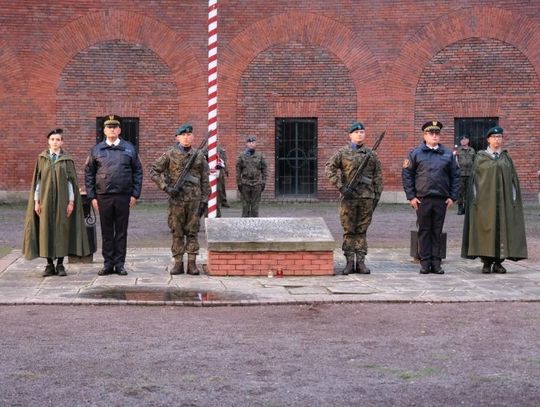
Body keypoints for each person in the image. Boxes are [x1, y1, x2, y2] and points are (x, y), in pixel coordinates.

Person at [22, 128, 90, 276]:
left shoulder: (67, 160)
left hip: (62, 201)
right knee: (45, 229)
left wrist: (71, 202)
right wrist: (36, 201)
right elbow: (38, 182)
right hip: (45, 201)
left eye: (58, 140)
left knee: (61, 230)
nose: (55, 142)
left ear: (62, 142)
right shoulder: (42, 159)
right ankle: (48, 265)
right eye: (52, 139)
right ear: (48, 141)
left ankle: (60, 264)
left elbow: (71, 183)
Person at [461, 126, 527, 273]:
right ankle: (486, 262)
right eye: (495, 137)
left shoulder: (506, 157)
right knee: (485, 229)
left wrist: (513, 199)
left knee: (502, 229)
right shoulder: (480, 157)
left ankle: (498, 262)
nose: (497, 140)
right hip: (484, 202)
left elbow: (512, 180)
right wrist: (475, 200)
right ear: (488, 139)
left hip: (503, 202)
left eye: (500, 137)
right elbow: (474, 181)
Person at [84, 115, 143, 276]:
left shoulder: (130, 148)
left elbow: (138, 172)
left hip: (124, 196)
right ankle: (108, 263)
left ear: (119, 130)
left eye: (114, 127)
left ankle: (120, 264)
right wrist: (92, 197)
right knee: (107, 231)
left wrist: (135, 194)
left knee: (121, 231)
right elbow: (89, 174)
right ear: (104, 130)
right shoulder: (96, 150)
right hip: (104, 196)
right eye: (108, 127)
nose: (111, 129)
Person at [150, 124, 210, 275]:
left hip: (194, 200)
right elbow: (154, 171)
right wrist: (166, 187)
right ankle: (178, 263)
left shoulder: (199, 156)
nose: (186, 137)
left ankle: (192, 263)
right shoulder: (170, 154)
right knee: (177, 231)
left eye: (189, 134)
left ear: (193, 137)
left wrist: (204, 200)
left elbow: (205, 179)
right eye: (183, 135)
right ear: (177, 137)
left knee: (193, 231)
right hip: (176, 200)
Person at [402, 121, 460, 274]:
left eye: (437, 133)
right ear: (425, 135)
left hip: (441, 199)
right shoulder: (415, 153)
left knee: (437, 230)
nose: (435, 136)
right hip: (422, 199)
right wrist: (411, 197)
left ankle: (436, 262)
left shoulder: (448, 154)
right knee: (424, 230)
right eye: (431, 133)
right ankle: (425, 261)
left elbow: (455, 176)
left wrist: (453, 197)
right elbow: (407, 175)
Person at [325, 121, 383, 275]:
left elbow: (378, 178)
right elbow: (329, 169)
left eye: (362, 132)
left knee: (362, 230)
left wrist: (376, 197)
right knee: (349, 230)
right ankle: (349, 262)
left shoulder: (372, 155)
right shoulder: (342, 153)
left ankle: (361, 262)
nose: (360, 134)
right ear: (350, 135)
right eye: (357, 132)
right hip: (349, 198)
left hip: (366, 198)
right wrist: (341, 187)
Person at [236, 136, 268, 217]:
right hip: (245, 184)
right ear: (246, 144)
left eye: (253, 142)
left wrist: (263, 182)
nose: (251, 144)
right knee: (245, 206)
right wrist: (239, 182)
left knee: (255, 206)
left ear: (255, 144)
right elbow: (238, 170)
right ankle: (244, 223)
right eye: (249, 142)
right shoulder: (242, 156)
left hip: (257, 184)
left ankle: (254, 223)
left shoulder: (260, 155)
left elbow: (264, 169)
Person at [455, 135, 475, 215]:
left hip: (470, 174)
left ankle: (466, 209)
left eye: (465, 139)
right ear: (460, 142)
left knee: (468, 192)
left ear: (468, 140)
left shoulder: (472, 150)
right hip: (460, 174)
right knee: (460, 192)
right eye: (462, 140)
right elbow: (454, 161)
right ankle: (460, 209)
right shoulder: (457, 150)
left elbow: (475, 161)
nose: (463, 141)